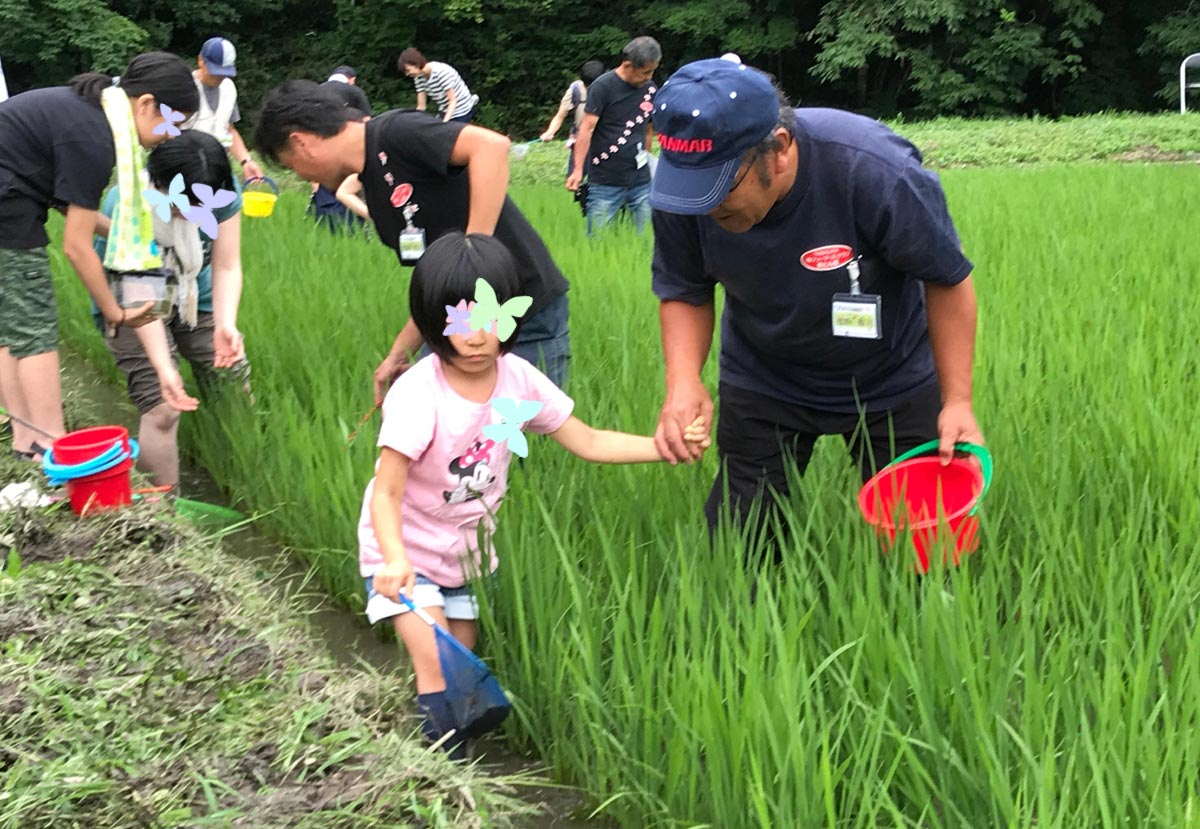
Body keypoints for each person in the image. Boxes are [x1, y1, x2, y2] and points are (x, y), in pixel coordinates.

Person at [360, 231, 708, 758]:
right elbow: (386, 492)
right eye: (463, 322)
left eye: (493, 320)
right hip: (404, 555)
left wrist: (664, 447)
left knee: (462, 663)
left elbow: (587, 440)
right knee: (437, 659)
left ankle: (442, 747)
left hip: (468, 557)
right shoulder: (419, 394)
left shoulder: (519, 379)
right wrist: (395, 559)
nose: (479, 339)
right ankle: (440, 777)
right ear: (434, 320)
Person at [647, 59, 984, 552]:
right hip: (765, 373)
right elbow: (684, 287)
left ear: (778, 150)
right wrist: (683, 381)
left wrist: (957, 402)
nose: (707, 209)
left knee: (929, 546)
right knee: (743, 549)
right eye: (692, 190)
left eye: (721, 189)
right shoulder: (684, 195)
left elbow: (947, 279)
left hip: (888, 375)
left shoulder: (873, 170)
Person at [253, 80, 572, 398]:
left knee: (523, 434)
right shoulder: (373, 188)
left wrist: (474, 253)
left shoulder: (394, 132)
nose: (301, 177)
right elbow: (435, 283)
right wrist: (398, 353)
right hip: (459, 319)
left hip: (522, 313)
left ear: (300, 143)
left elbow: (491, 147)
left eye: (290, 166)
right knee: (440, 435)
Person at [0, 52, 198, 460]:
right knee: (34, 328)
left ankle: (26, 442)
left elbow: (75, 211)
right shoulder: (96, 139)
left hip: (11, 196)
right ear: (145, 104)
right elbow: (76, 245)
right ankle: (52, 446)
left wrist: (125, 235)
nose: (172, 135)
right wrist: (114, 310)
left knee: (11, 328)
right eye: (172, 122)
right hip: (8, 205)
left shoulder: (92, 113)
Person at [91, 130, 251, 488]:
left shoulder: (218, 189)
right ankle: (166, 516)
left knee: (231, 381)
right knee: (163, 409)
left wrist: (226, 324)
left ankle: (242, 477)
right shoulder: (130, 203)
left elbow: (226, 264)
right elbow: (142, 298)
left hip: (196, 295)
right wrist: (165, 368)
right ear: (159, 184)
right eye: (182, 203)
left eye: (202, 206)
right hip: (133, 304)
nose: (192, 213)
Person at [566, 37, 660, 236]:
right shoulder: (603, 87)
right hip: (604, 181)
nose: (649, 77)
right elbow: (587, 129)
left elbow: (648, 128)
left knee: (647, 240)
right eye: (645, 72)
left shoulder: (649, 89)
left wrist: (647, 158)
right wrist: (577, 170)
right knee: (597, 242)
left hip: (641, 180)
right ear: (627, 65)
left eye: (652, 71)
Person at [188, 37, 264, 181]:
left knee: (235, 203)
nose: (219, 77)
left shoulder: (228, 87)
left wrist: (246, 161)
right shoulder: (185, 87)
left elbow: (229, 129)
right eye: (215, 71)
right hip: (187, 167)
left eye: (224, 72)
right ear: (200, 60)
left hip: (218, 165)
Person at [308, 77, 371, 235]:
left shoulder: (323, 140)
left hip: (331, 195)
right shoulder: (356, 96)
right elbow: (345, 193)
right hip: (335, 203)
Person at [539, 59, 606, 178]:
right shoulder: (575, 90)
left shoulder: (610, 89)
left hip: (605, 142)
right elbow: (560, 116)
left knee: (601, 182)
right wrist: (550, 132)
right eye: (587, 86)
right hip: (580, 141)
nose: (590, 89)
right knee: (575, 180)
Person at [397, 49, 478, 124]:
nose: (407, 74)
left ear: (416, 63)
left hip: (461, 109)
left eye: (408, 70)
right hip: (444, 109)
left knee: (448, 137)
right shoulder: (418, 77)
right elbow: (421, 106)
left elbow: (453, 101)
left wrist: (444, 123)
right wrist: (417, 122)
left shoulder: (441, 72)